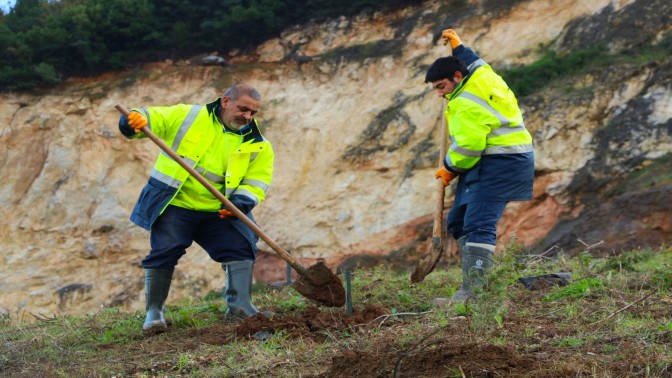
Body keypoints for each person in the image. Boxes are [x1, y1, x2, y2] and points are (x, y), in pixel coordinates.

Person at [118, 84, 274, 332]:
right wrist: (133, 121)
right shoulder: (189, 116)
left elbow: (257, 182)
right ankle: (154, 313)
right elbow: (151, 120)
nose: (247, 116)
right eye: (242, 109)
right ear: (225, 101)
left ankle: (240, 308)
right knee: (165, 250)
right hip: (176, 203)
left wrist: (241, 204)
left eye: (252, 112)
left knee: (241, 246)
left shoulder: (258, 144)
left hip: (219, 210)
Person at [425, 30, 534, 302]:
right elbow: (475, 62)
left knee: (478, 222)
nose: (440, 94)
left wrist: (449, 168)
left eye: (442, 86)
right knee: (458, 221)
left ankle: (475, 294)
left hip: (500, 161)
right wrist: (458, 46)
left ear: (457, 78)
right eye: (436, 89)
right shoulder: (482, 76)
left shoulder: (464, 103)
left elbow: (469, 149)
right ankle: (477, 284)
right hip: (498, 159)